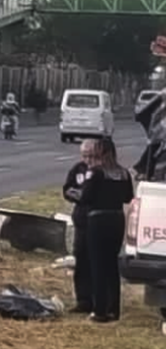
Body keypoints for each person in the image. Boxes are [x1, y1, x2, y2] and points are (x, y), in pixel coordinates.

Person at [79, 137, 135, 323]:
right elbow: (128, 198)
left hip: (97, 219)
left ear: (99, 152)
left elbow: (85, 197)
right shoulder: (124, 173)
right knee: (112, 266)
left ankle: (100, 310)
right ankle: (114, 309)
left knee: (97, 265)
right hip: (117, 219)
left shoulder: (95, 172)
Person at [62, 140, 94, 314]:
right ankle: (83, 300)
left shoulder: (102, 171)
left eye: (91, 155)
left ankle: (99, 300)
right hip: (82, 221)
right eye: (85, 155)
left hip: (99, 223)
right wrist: (77, 195)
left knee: (97, 262)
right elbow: (67, 189)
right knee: (81, 261)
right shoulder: (77, 169)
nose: (88, 159)